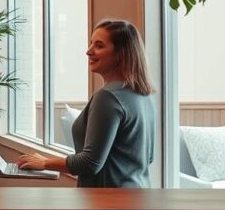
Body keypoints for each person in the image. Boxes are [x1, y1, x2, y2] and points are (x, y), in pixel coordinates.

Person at [16, 19, 156, 187]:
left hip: (108, 204)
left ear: (121, 53)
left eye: (99, 45)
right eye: (91, 44)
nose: (89, 51)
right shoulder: (144, 96)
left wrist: (45, 162)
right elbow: (148, 157)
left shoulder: (108, 97)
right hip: (137, 199)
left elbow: (90, 162)